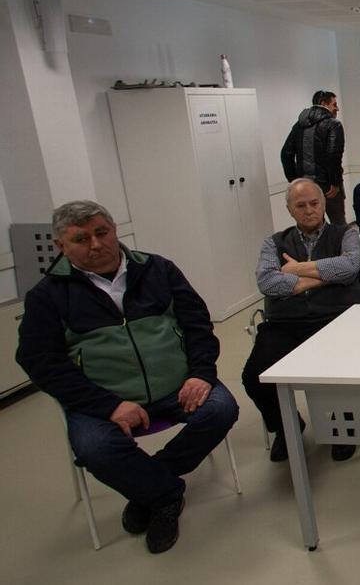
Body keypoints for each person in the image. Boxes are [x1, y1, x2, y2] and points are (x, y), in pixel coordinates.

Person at [17, 200, 239, 553]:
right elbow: (40, 362)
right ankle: (165, 495)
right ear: (61, 246)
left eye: (101, 232)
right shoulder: (47, 296)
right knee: (94, 447)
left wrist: (200, 374)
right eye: (80, 239)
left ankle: (147, 487)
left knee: (221, 409)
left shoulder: (157, 269)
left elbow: (197, 324)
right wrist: (109, 405)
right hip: (103, 399)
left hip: (176, 386)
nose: (95, 244)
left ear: (115, 229)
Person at [243, 179, 360, 462]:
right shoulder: (273, 242)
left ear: (323, 204)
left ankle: (344, 425)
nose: (309, 210)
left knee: (344, 368)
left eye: (314, 203)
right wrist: (323, 276)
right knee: (254, 375)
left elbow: (349, 268)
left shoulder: (345, 232)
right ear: (289, 209)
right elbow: (268, 282)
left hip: (338, 318)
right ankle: (287, 428)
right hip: (286, 322)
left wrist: (296, 273)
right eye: (301, 205)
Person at [281, 89, 347, 224]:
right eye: (334, 104)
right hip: (329, 188)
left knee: (313, 226)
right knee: (338, 226)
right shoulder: (333, 124)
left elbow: (286, 154)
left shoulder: (299, 126)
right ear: (323, 103)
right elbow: (333, 154)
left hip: (306, 188)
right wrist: (334, 183)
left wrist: (296, 182)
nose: (337, 109)